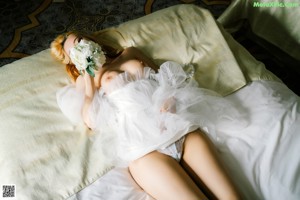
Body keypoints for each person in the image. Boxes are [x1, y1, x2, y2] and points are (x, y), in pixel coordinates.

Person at [51, 31, 241, 200]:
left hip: (178, 128)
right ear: (73, 60)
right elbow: (91, 121)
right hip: (144, 151)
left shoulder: (129, 53)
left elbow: (165, 77)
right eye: (74, 50)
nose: (81, 46)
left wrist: (170, 98)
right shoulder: (86, 82)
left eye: (81, 40)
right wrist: (89, 75)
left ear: (90, 39)